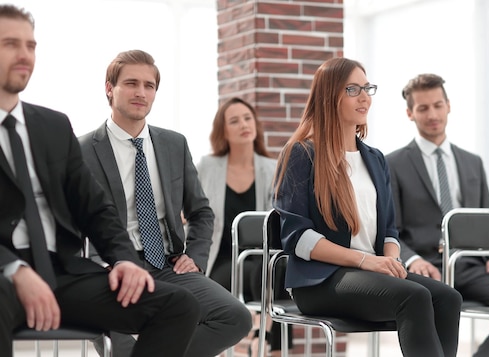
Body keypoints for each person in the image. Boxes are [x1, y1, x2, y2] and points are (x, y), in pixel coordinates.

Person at [0, 5, 200, 357]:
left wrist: (124, 259)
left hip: (63, 273)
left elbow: (95, 207)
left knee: (179, 305)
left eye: (30, 46)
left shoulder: (52, 126)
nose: (24, 55)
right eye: (10, 44)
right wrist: (14, 269)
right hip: (4, 275)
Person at [273, 57, 462, 357]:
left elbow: (389, 230)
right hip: (320, 280)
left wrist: (390, 261)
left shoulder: (375, 159)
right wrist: (365, 262)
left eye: (367, 88)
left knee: (448, 298)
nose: (364, 97)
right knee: (413, 297)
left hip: (371, 272)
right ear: (329, 97)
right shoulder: (301, 153)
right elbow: (298, 239)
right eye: (352, 89)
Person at [78, 49, 251, 357]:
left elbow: (200, 212)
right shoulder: (82, 150)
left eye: (149, 85)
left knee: (235, 317)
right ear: (109, 88)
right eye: (131, 83)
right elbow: (67, 222)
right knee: (116, 338)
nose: (141, 92)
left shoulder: (174, 144)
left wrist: (195, 257)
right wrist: (95, 266)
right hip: (110, 268)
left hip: (167, 264)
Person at [385, 73, 489, 357]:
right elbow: (388, 227)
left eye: (437, 105)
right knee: (430, 307)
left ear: (448, 106)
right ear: (410, 113)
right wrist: (412, 259)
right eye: (423, 108)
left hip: (470, 266)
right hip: (425, 267)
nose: (432, 114)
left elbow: (487, 220)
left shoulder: (472, 162)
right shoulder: (391, 164)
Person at [196, 97, 291, 356]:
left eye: (248, 118)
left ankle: (266, 340)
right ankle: (261, 336)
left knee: (270, 271)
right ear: (223, 131)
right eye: (234, 121)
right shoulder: (207, 166)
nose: (243, 125)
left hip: (262, 258)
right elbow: (190, 208)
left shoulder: (272, 167)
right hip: (222, 259)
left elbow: (280, 221)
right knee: (260, 275)